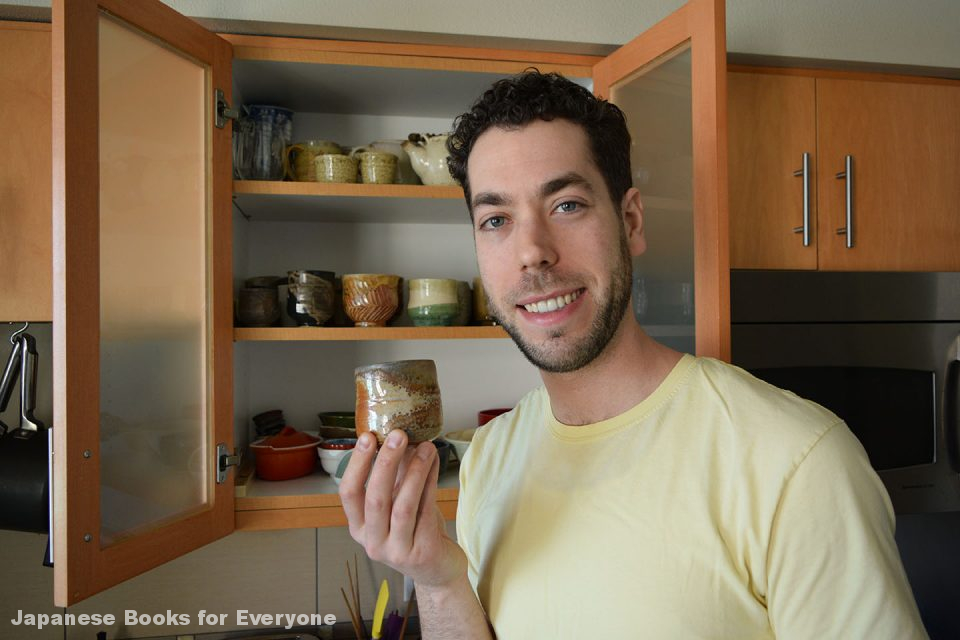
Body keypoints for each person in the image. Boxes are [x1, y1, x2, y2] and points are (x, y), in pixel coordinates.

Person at [339, 70, 927, 639]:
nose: (532, 253)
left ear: (631, 220)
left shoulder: (795, 461)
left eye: (566, 204)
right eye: (496, 219)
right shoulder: (491, 456)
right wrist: (438, 580)